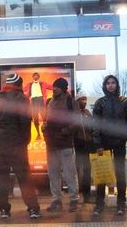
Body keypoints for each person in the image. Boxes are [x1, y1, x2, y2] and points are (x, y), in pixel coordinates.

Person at [0, 73, 41, 219]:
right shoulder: (22, 99)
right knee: (24, 177)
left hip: (1, 145)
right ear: (19, 84)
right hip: (17, 144)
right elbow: (25, 122)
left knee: (3, 178)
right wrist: (25, 140)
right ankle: (32, 208)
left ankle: (4, 209)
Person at [92, 75, 127, 216]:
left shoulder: (124, 101)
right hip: (103, 143)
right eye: (108, 83)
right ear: (104, 86)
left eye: (113, 83)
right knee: (102, 174)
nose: (110, 85)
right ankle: (99, 204)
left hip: (119, 142)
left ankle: (121, 203)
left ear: (117, 85)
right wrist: (97, 143)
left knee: (120, 173)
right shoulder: (100, 103)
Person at [43, 77, 80, 213]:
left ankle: (74, 200)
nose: (54, 89)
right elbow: (45, 119)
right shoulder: (49, 102)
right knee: (53, 174)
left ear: (63, 88)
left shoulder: (71, 102)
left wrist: (64, 132)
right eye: (54, 86)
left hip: (65, 144)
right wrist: (44, 127)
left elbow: (76, 122)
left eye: (57, 86)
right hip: (51, 144)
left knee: (69, 173)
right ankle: (56, 199)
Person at [74, 92, 95, 203]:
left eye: (85, 99)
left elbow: (93, 126)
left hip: (88, 144)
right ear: (77, 101)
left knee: (87, 169)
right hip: (77, 144)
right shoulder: (73, 113)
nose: (84, 102)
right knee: (77, 170)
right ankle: (77, 193)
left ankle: (86, 194)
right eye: (82, 99)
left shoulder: (87, 113)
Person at [24, 72, 53, 140]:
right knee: (35, 119)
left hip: (41, 100)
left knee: (44, 118)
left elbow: (51, 87)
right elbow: (22, 89)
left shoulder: (43, 83)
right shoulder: (30, 84)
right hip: (33, 101)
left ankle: (46, 133)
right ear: (33, 77)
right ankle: (38, 134)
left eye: (37, 76)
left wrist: (59, 86)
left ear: (39, 77)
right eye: (34, 76)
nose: (36, 77)